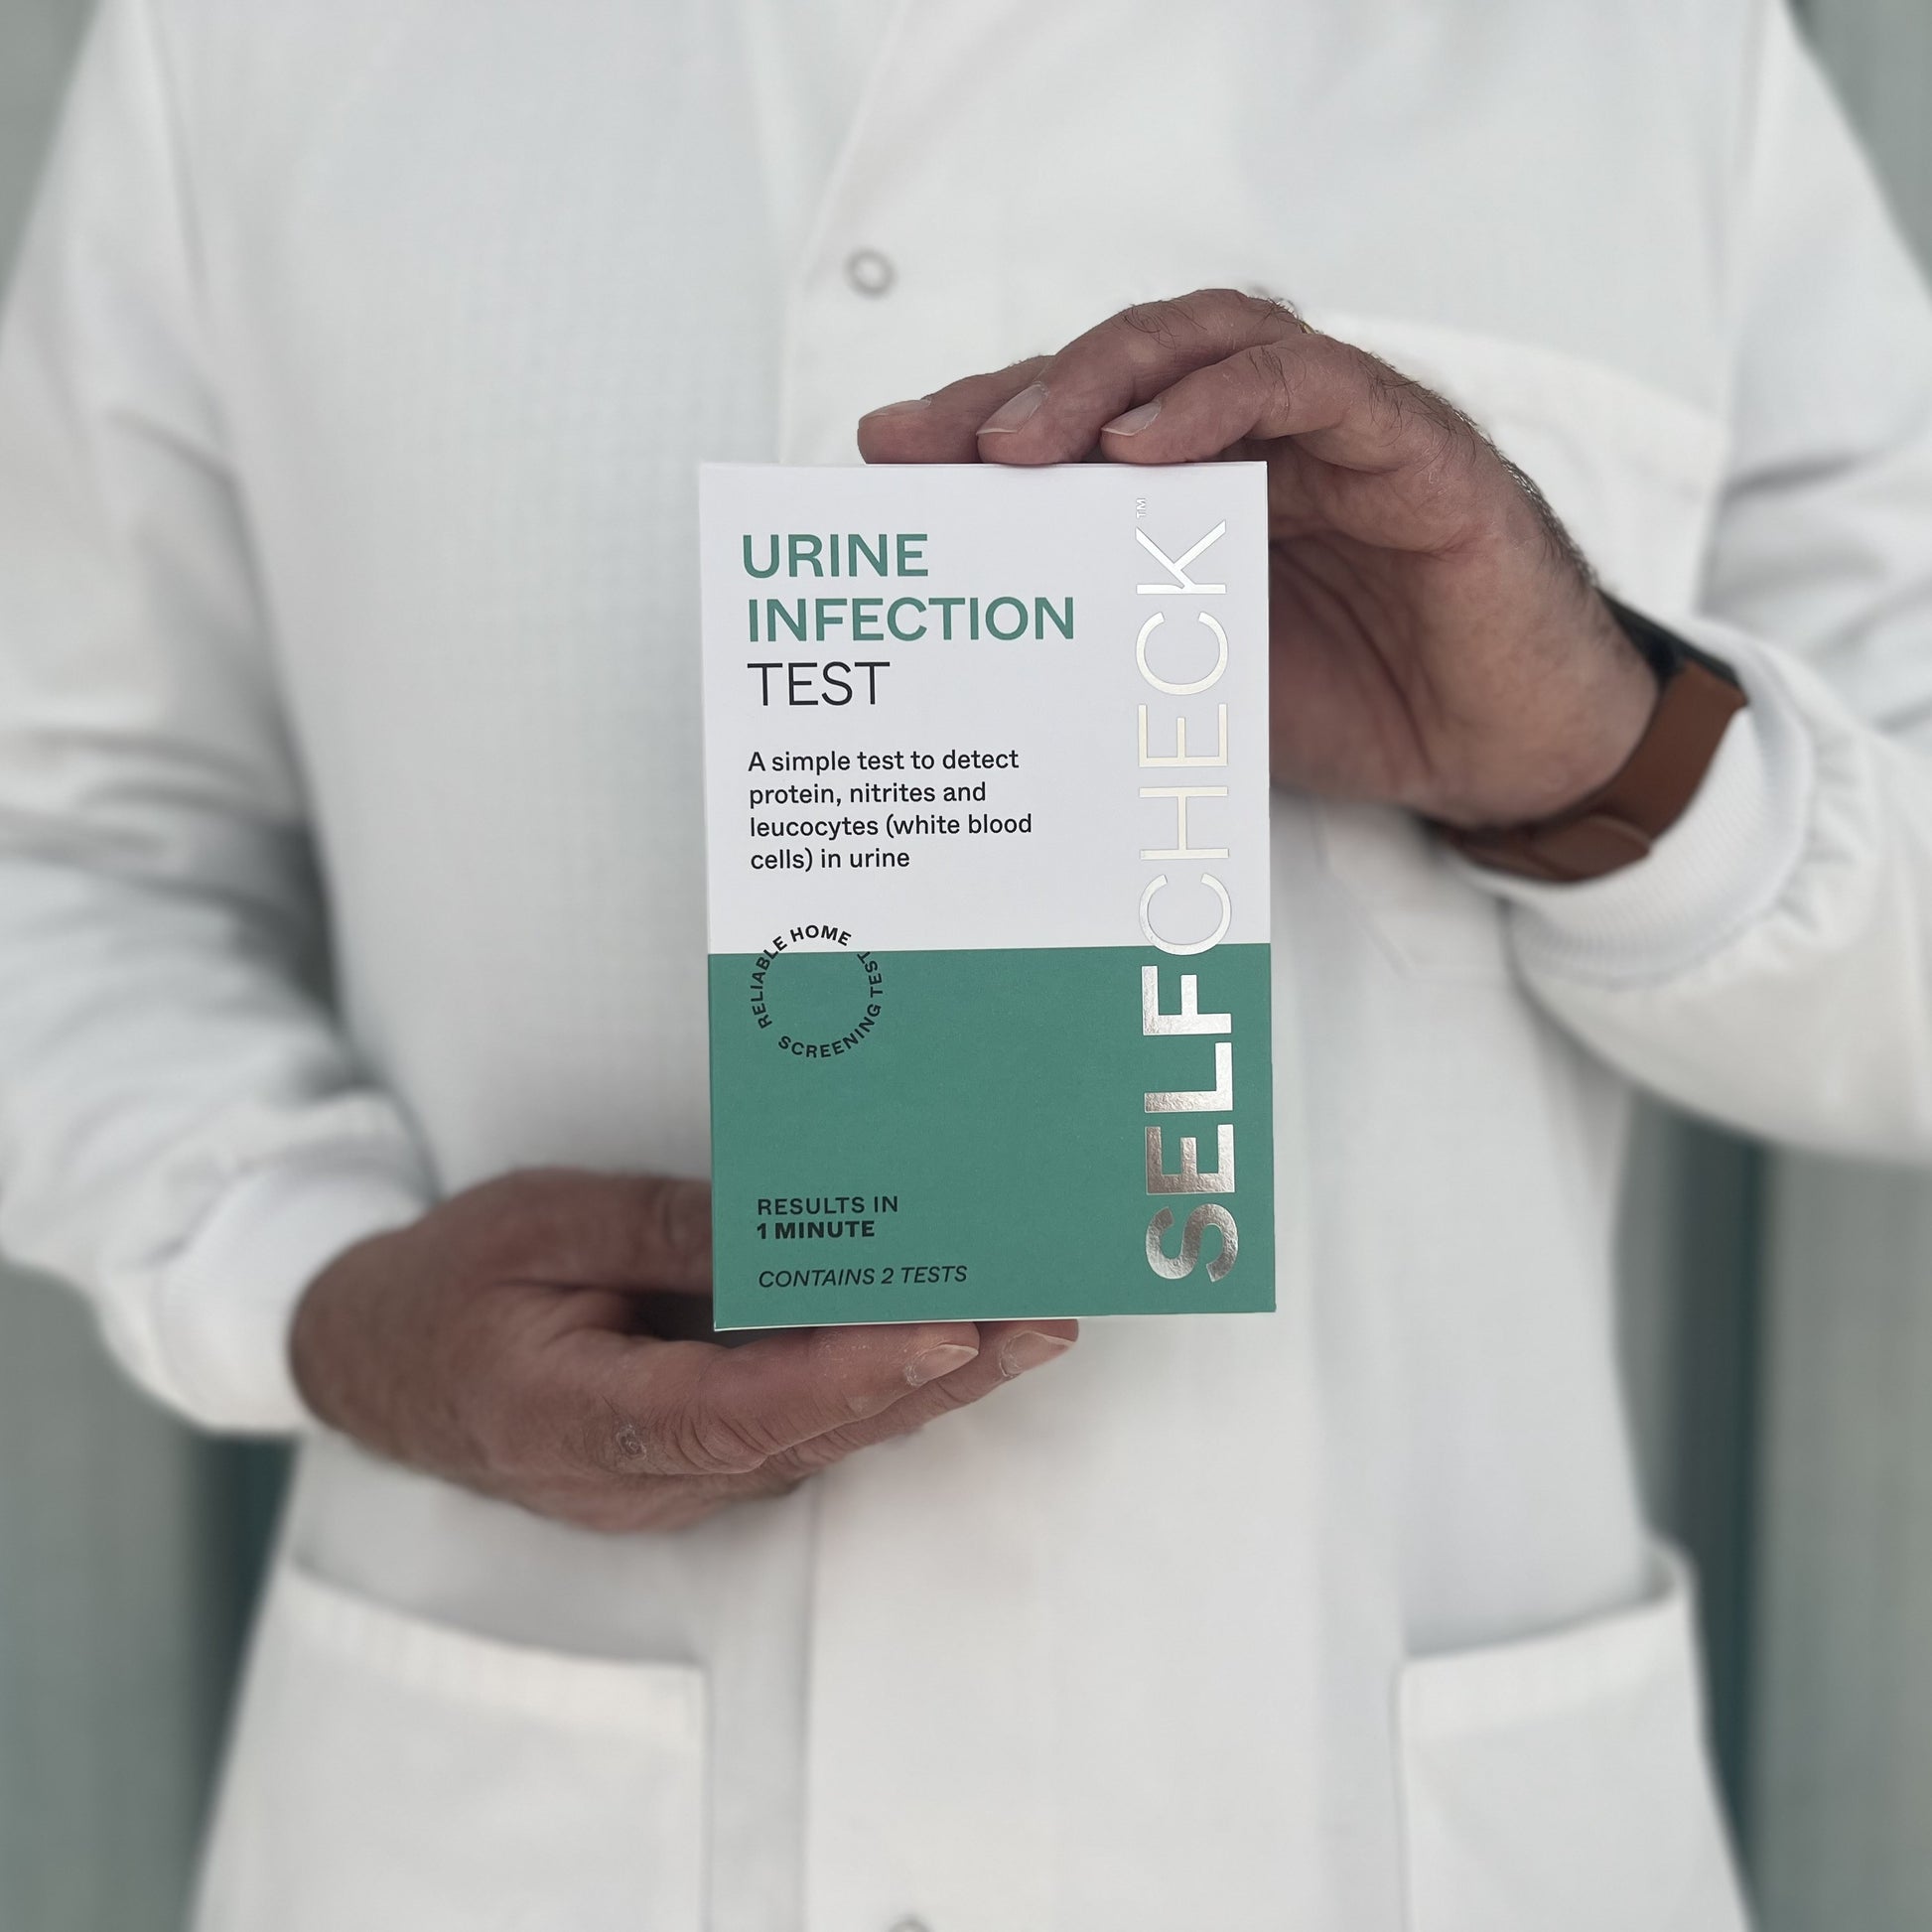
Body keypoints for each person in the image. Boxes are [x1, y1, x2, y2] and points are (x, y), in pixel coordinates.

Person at [2, 0, 1929, 1925]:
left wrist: (1610, 749)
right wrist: (313, 1292)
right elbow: (55, 846)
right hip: (521, 1822)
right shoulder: (254, 43)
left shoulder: (1646, 57)